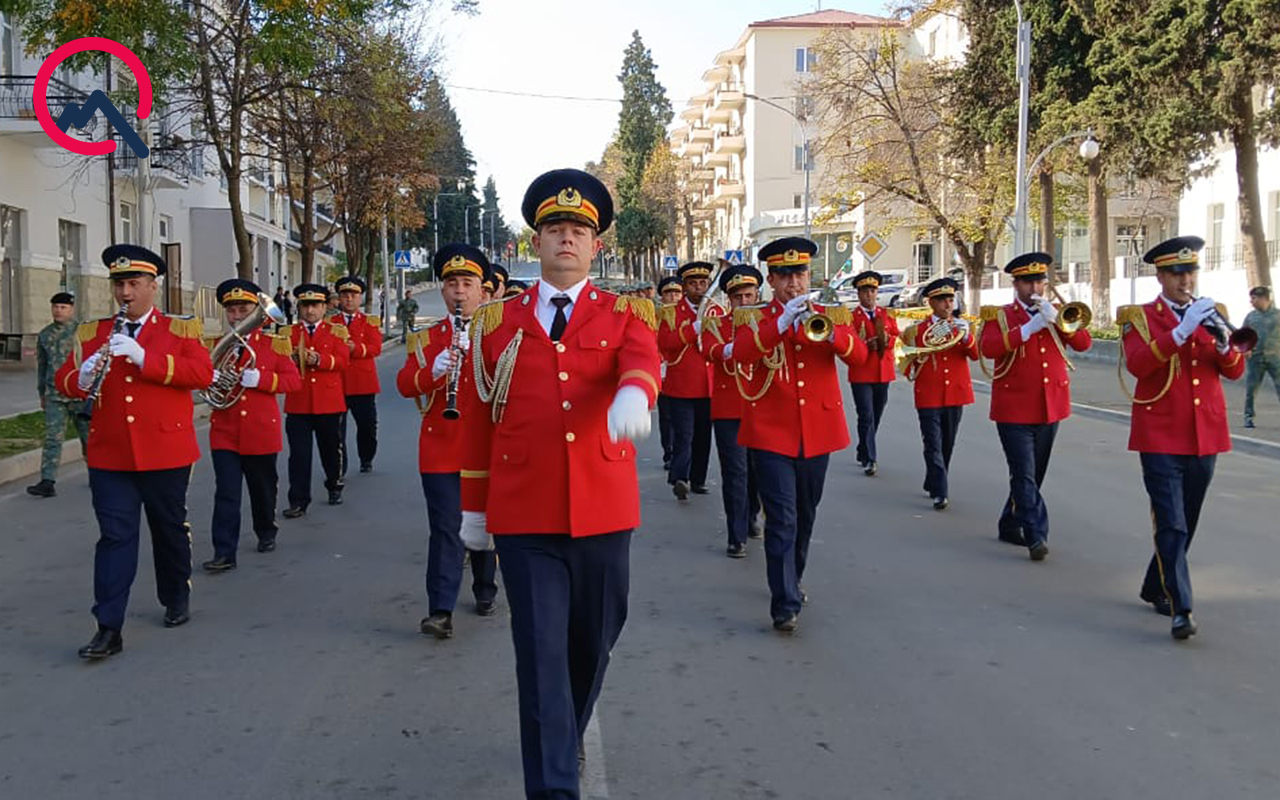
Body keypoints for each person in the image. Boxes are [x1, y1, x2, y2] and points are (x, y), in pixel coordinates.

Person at [461, 168, 660, 798]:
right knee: (541, 654)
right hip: (524, 517)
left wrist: (635, 391)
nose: (566, 239)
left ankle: (567, 727)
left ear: (596, 245)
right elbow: (475, 421)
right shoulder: (495, 323)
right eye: (554, 229)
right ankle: (551, 785)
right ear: (535, 242)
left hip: (603, 508)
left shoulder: (626, 313)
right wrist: (473, 510)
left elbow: (643, 359)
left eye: (578, 230)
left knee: (592, 644)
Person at [53, 245, 214, 659]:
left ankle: (175, 594)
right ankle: (108, 627)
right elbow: (66, 381)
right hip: (111, 454)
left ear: (152, 287)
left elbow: (202, 374)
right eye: (119, 285)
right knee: (114, 538)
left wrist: (147, 358)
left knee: (169, 529)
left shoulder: (180, 330)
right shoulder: (93, 333)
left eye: (133, 284)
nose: (125, 293)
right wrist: (82, 375)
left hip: (166, 449)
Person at [731, 236, 867, 633]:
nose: (795, 284)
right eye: (785, 276)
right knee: (783, 518)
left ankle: (794, 577)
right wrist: (780, 323)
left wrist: (831, 334)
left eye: (801, 274)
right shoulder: (754, 318)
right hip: (771, 433)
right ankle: (784, 601)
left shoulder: (830, 314)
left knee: (805, 515)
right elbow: (739, 355)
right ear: (771, 280)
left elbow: (859, 357)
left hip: (818, 431)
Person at [1118, 235, 1245, 640]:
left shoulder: (1214, 312)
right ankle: (1181, 607)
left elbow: (1234, 372)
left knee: (1187, 520)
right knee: (1170, 522)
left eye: (1190, 271)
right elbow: (1138, 365)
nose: (1186, 280)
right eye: (1177, 273)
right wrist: (1179, 332)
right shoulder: (1139, 317)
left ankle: (1156, 585)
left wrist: (1225, 344)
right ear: (1160, 276)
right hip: (1160, 433)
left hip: (1204, 433)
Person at [397, 244, 501, 639]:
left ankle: (485, 586)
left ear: (482, 290)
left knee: (485, 524)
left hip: (488, 447)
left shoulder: (500, 335)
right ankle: (440, 609)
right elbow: (405, 384)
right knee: (445, 528)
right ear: (443, 291)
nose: (460, 291)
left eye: (468, 283)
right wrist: (434, 370)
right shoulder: (427, 340)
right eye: (452, 283)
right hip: (441, 450)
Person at [979, 253, 1092, 561]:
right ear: (1015, 285)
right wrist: (1028, 328)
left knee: (1034, 473)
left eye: (1040, 281)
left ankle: (1009, 522)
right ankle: (1036, 535)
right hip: (1013, 407)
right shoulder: (999, 315)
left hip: (1050, 405)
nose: (1035, 288)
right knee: (1024, 473)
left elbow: (1084, 344)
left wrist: (1056, 320)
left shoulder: (1057, 313)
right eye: (1028, 282)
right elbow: (988, 348)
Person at [201, 279, 300, 572]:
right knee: (227, 492)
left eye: (244, 309)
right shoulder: (214, 347)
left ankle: (266, 529)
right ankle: (224, 552)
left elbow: (293, 382)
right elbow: (196, 379)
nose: (237, 316)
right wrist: (208, 378)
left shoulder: (274, 344)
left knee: (262, 489)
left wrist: (263, 381)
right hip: (225, 431)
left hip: (260, 430)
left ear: (255, 310)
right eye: (231, 310)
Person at [700, 263, 764, 558]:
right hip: (728, 409)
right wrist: (737, 345)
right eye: (737, 297)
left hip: (763, 408)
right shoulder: (717, 325)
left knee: (758, 471)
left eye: (749, 295)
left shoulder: (768, 323)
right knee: (735, 472)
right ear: (728, 298)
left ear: (756, 295)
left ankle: (752, 515)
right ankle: (735, 535)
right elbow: (710, 352)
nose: (743, 302)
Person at [900, 277, 978, 512]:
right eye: (941, 300)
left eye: (950, 299)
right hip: (929, 393)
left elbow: (975, 355)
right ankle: (940, 491)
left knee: (947, 443)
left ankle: (933, 479)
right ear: (930, 302)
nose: (947, 304)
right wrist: (917, 359)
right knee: (932, 442)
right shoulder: (917, 331)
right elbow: (905, 363)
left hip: (955, 392)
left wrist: (966, 336)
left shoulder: (963, 326)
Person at [280, 284, 350, 518]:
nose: (310, 311)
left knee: (330, 449)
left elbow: (342, 362)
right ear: (299, 308)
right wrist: (292, 359)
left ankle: (334, 485)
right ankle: (298, 500)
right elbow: (278, 363)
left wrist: (319, 359)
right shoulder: (287, 334)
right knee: (299, 454)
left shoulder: (336, 331)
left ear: (324, 307)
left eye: (315, 306)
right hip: (298, 401)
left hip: (328, 401)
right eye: (305, 306)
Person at [658, 261, 716, 500]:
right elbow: (666, 344)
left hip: (709, 385)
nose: (699, 288)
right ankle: (679, 477)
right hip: (681, 386)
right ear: (685, 287)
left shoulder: (716, 310)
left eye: (703, 283)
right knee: (684, 435)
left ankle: (698, 479)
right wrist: (693, 329)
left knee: (703, 436)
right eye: (693, 284)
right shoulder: (671, 312)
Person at [27, 291, 89, 498]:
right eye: (55, 306)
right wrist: (41, 393)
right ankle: (47, 481)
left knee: (88, 438)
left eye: (63, 307)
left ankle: (99, 475)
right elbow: (42, 367)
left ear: (71, 309)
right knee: (53, 438)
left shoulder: (83, 331)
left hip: (80, 394)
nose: (58, 310)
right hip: (55, 395)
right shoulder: (45, 334)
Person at [845, 271, 899, 477]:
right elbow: (849, 343)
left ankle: (863, 447)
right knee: (866, 415)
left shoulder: (887, 314)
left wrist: (886, 340)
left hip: (883, 371)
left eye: (872, 290)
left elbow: (895, 335)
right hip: (861, 372)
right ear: (858, 294)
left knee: (876, 414)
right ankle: (871, 458)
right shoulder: (851, 317)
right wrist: (866, 344)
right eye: (865, 291)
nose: (869, 295)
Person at [334, 276, 383, 474]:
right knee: (337, 431)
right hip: (337, 383)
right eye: (345, 295)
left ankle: (366, 458)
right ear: (339, 298)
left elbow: (376, 348)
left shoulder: (369, 322)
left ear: (360, 298)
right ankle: (339, 468)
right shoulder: (332, 322)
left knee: (367, 427)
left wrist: (356, 349)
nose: (349, 299)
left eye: (353, 295)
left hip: (363, 384)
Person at [656, 275, 683, 472]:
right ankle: (669, 452)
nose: (673, 297)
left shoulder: (693, 314)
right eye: (668, 293)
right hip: (663, 368)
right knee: (666, 416)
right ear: (662, 297)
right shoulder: (653, 315)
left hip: (684, 372)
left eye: (677, 293)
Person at [1243, 285, 1279, 428]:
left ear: (1264, 299)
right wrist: (1245, 349)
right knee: (1251, 390)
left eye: (1254, 298)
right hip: (1255, 359)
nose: (1251, 302)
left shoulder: (1278, 315)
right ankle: (1248, 417)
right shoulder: (1251, 317)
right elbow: (1243, 336)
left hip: (1276, 358)